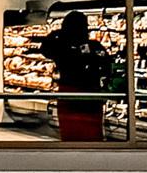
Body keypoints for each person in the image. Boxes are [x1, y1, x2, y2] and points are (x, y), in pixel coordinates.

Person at [40, 10, 110, 142]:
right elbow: (106, 67)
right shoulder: (95, 47)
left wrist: (58, 32)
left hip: (69, 93)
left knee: (71, 133)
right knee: (92, 133)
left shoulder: (61, 48)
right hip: (91, 94)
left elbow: (44, 48)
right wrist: (105, 87)